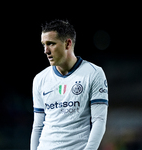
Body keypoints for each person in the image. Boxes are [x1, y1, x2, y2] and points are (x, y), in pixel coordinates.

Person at [31, 19, 108, 150]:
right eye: (44, 44)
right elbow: (38, 125)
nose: (46, 50)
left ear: (68, 44)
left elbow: (99, 121)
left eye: (51, 44)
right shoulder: (40, 79)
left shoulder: (93, 73)